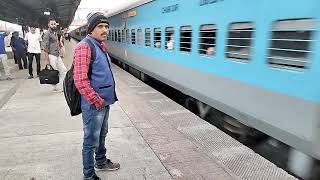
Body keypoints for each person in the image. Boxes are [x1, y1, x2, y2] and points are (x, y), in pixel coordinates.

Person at [73, 12, 120, 180]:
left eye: (106, 26)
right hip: (94, 104)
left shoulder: (99, 44)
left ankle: (100, 161)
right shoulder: (85, 47)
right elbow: (80, 80)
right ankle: (89, 175)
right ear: (91, 29)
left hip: (104, 102)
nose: (105, 29)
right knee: (90, 140)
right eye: (100, 26)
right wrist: (96, 100)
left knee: (102, 134)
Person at [42, 18, 67, 92]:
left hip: (57, 55)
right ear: (48, 25)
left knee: (63, 70)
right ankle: (55, 87)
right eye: (52, 24)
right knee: (54, 73)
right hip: (51, 55)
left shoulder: (55, 33)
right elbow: (45, 48)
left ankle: (62, 86)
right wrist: (47, 60)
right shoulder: (47, 34)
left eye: (54, 24)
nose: (53, 25)